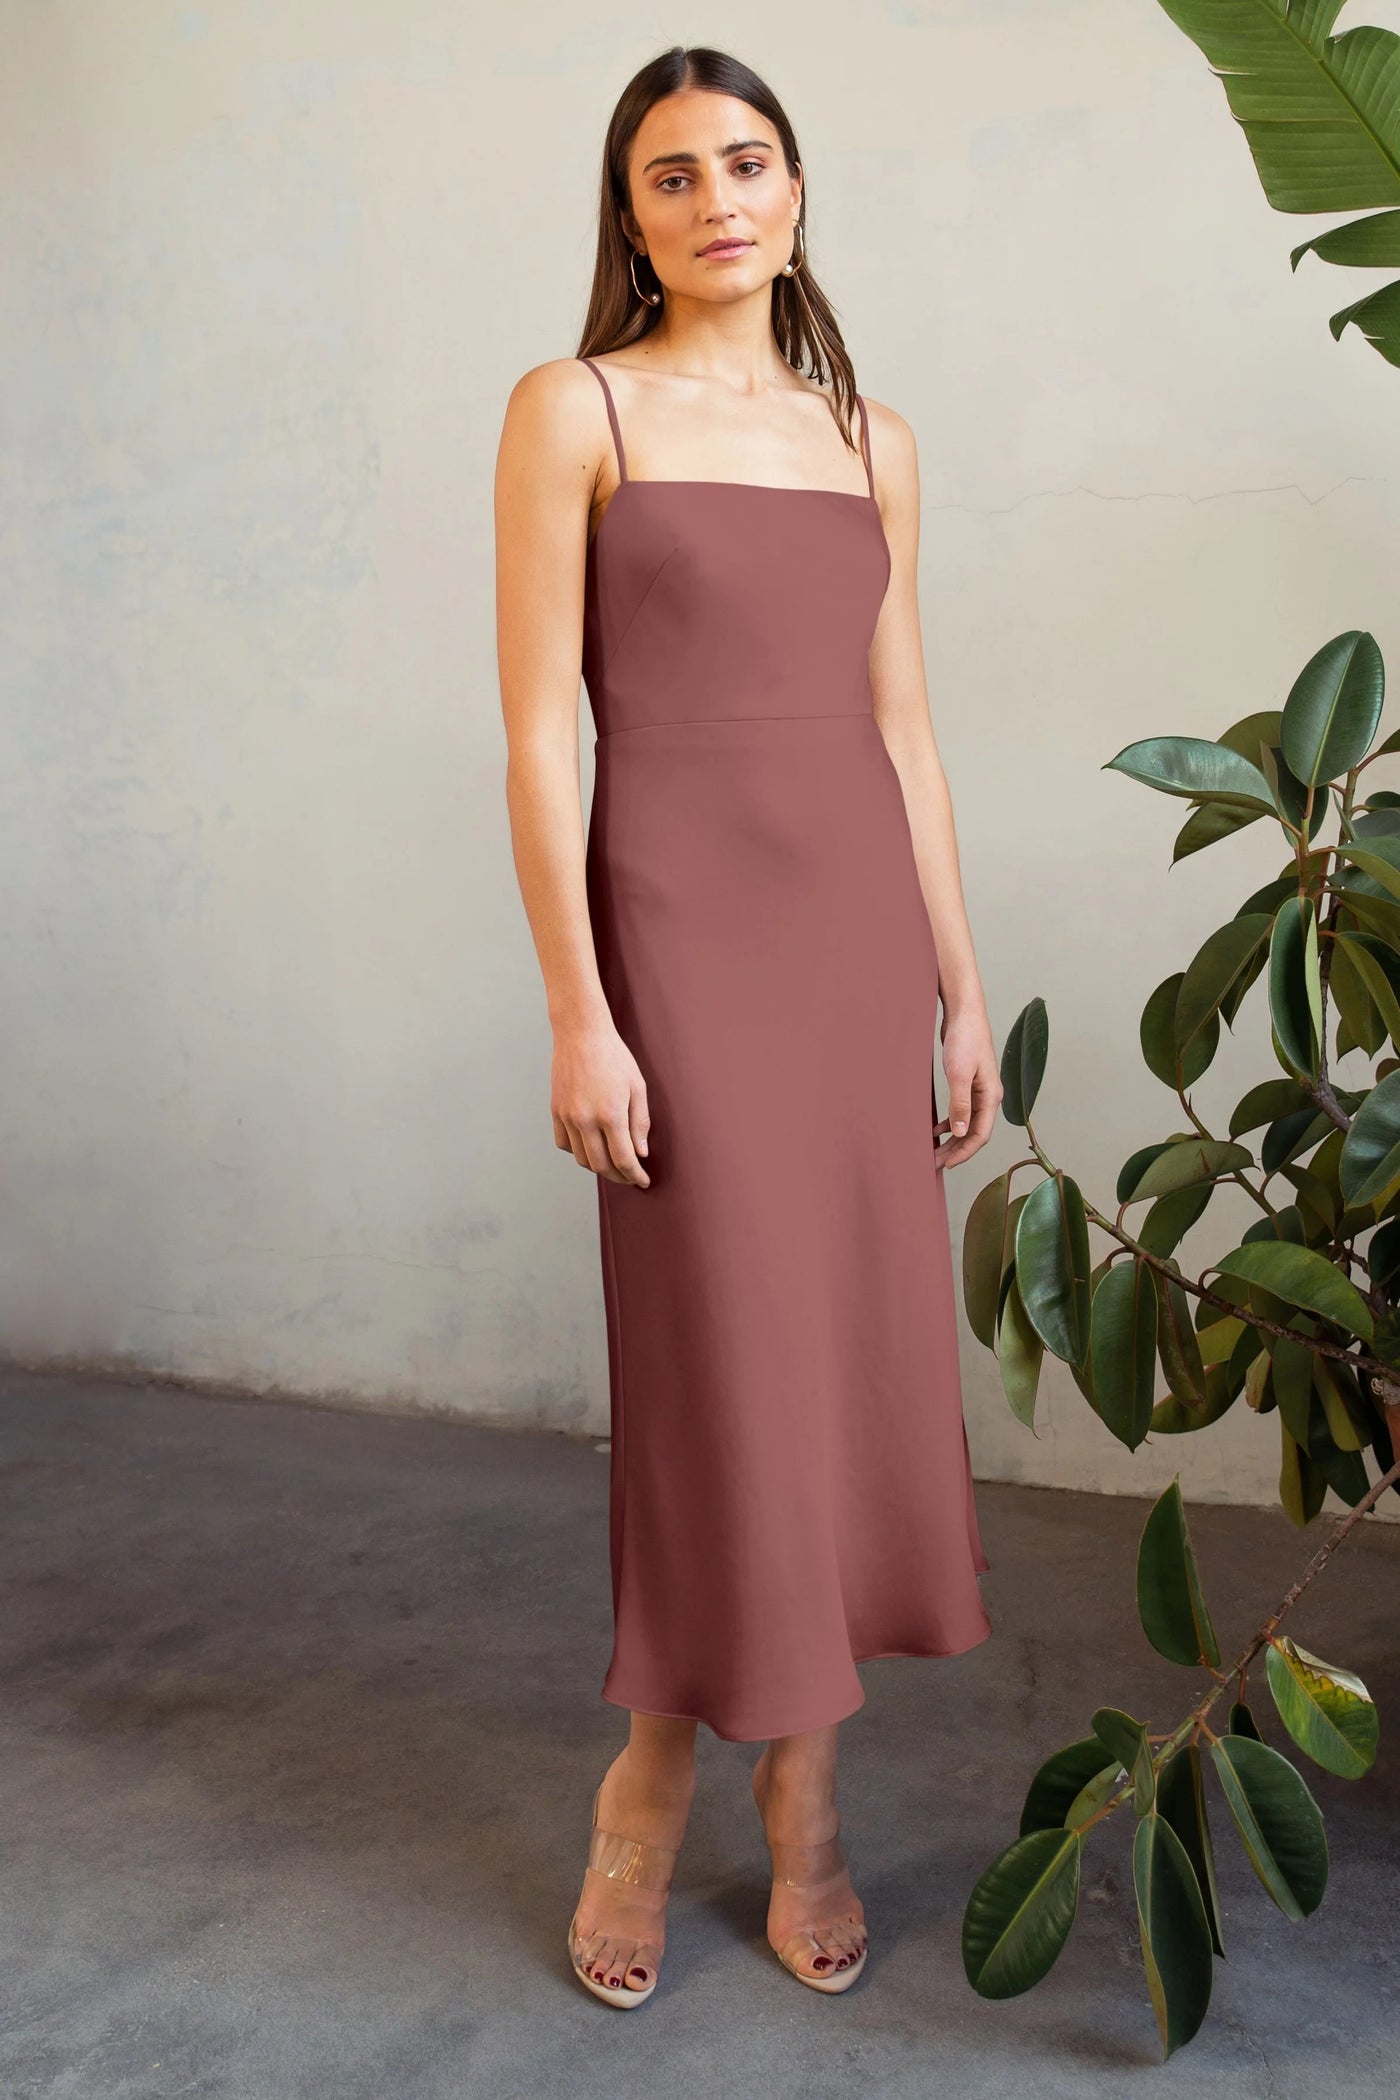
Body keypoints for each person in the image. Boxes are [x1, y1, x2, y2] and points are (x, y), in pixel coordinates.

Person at [494, 44, 1002, 2008]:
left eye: (750, 162)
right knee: (719, 1378)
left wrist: (961, 986)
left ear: (797, 190)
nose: (719, 198)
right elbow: (544, 728)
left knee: (849, 1367)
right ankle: (646, 1782)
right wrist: (577, 1008)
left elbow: (903, 729)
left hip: (851, 945)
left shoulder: (870, 436)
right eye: (673, 175)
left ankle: (805, 1792)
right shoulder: (575, 408)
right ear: (629, 219)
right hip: (678, 945)